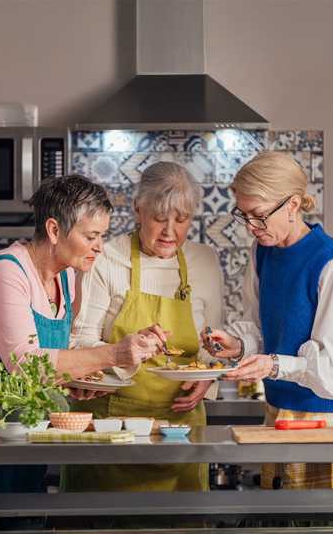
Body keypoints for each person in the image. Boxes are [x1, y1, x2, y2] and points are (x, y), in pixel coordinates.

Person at [0, 174, 164, 493]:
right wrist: (115, 353)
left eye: (102, 236)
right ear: (54, 230)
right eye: (92, 236)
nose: (100, 248)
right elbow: (25, 363)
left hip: (19, 431)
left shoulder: (64, 278)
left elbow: (48, 366)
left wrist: (73, 381)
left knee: (21, 522)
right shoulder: (6, 272)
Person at [203, 152, 333, 490]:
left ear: (293, 204)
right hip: (279, 413)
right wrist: (240, 344)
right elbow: (265, 329)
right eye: (244, 215)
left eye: (259, 215)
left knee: (326, 523)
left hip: (327, 421)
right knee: (283, 518)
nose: (251, 226)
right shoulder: (263, 252)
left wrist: (274, 366)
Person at [66, 161, 225, 491]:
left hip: (180, 429)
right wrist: (121, 356)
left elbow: (214, 343)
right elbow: (79, 342)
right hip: (111, 426)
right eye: (159, 218)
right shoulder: (107, 257)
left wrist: (208, 380)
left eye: (181, 220)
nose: (170, 231)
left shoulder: (205, 261)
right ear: (139, 210)